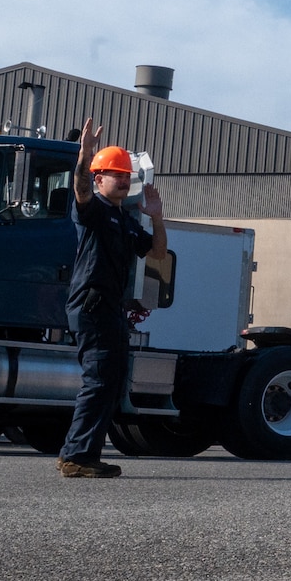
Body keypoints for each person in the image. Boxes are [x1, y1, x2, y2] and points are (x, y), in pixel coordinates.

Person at [56, 118, 166, 479]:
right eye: (113, 174)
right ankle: (76, 456)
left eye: (125, 175)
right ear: (98, 178)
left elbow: (157, 254)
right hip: (92, 306)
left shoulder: (125, 219)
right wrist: (85, 156)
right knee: (99, 380)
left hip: (111, 309)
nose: (121, 179)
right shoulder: (94, 211)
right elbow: (80, 190)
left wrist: (157, 218)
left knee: (111, 382)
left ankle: (83, 455)